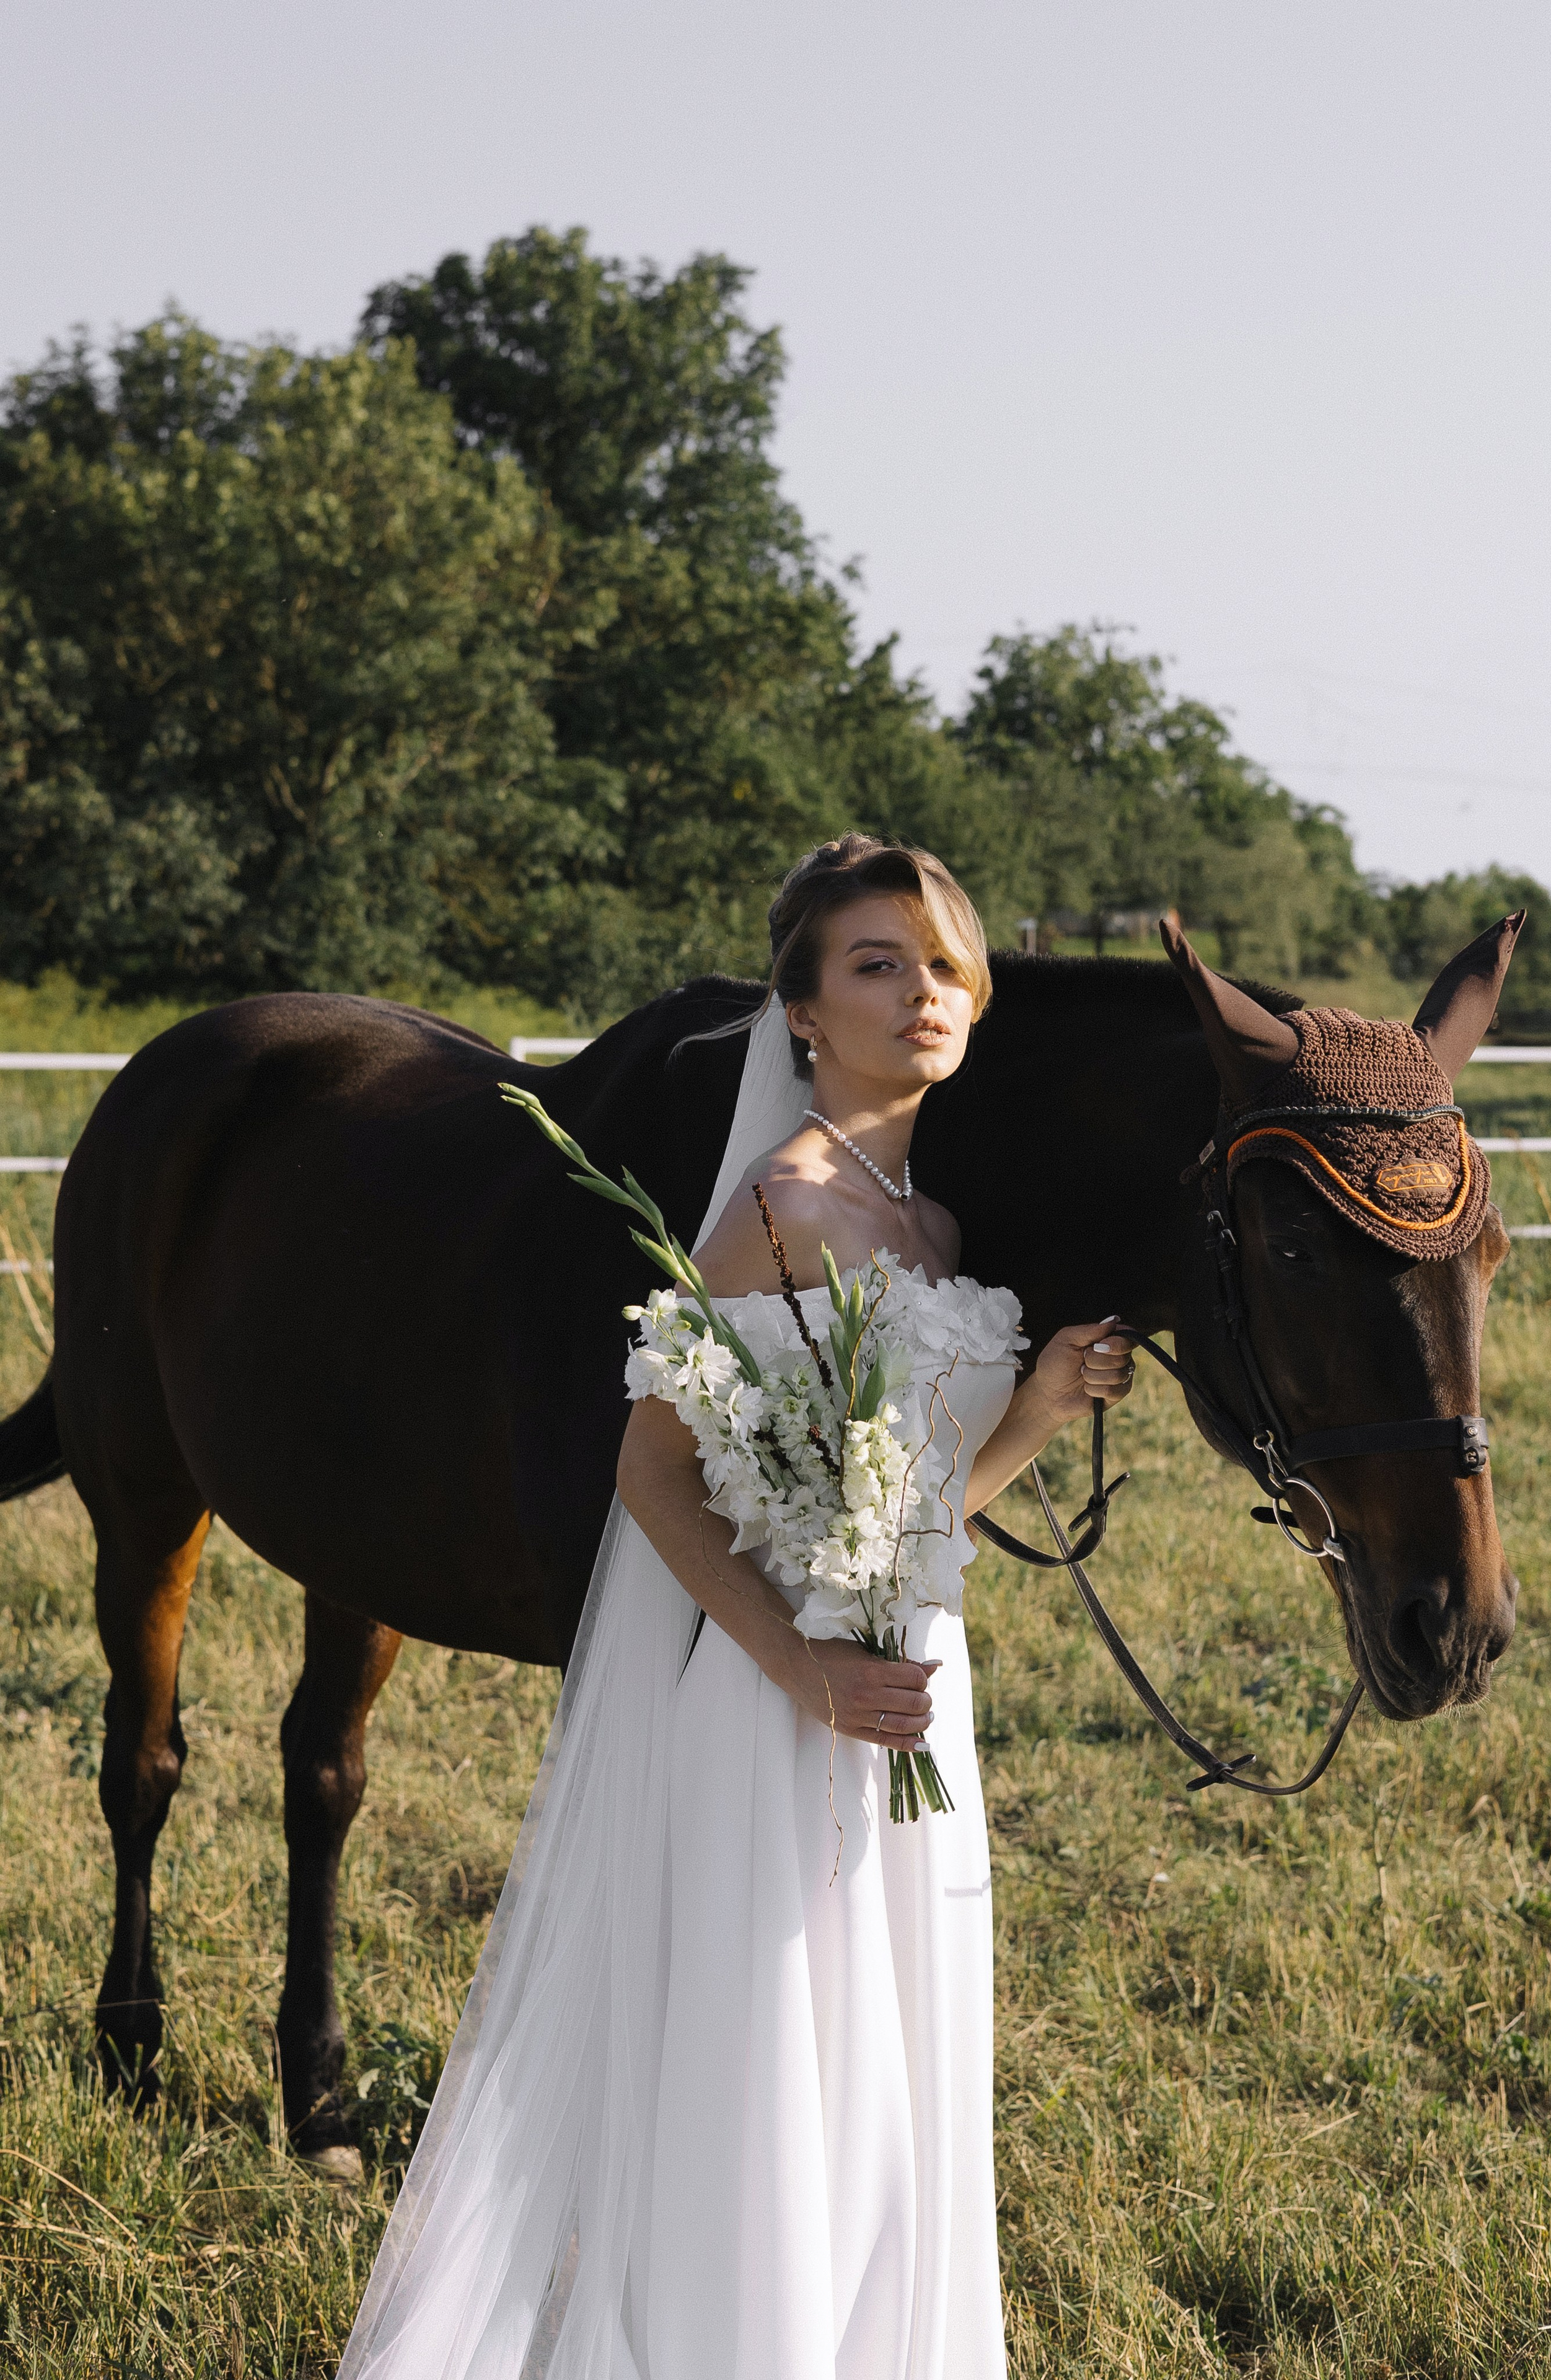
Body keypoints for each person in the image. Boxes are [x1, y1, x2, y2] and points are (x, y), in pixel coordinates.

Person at [338, 836, 1135, 2380]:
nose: (920, 993)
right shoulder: (781, 1206)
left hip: (914, 1691)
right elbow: (650, 1471)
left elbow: (917, 1515)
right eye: (874, 965)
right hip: (782, 1708)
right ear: (802, 1016)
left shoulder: (931, 1228)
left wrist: (1034, 1407)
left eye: (942, 964)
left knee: (895, 2061)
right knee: (776, 2056)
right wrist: (802, 1670)